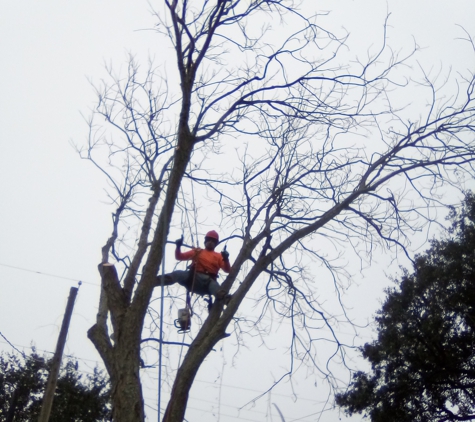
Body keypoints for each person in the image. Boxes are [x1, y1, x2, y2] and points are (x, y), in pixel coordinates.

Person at [158, 230, 231, 300]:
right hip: (192, 278)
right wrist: (178, 247)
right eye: (209, 240)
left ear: (216, 244)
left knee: (215, 287)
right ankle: (160, 280)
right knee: (178, 273)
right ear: (205, 241)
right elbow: (179, 257)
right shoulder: (197, 251)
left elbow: (227, 270)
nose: (210, 242)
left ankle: (224, 298)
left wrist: (226, 259)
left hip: (207, 282)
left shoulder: (219, 256)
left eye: (213, 241)